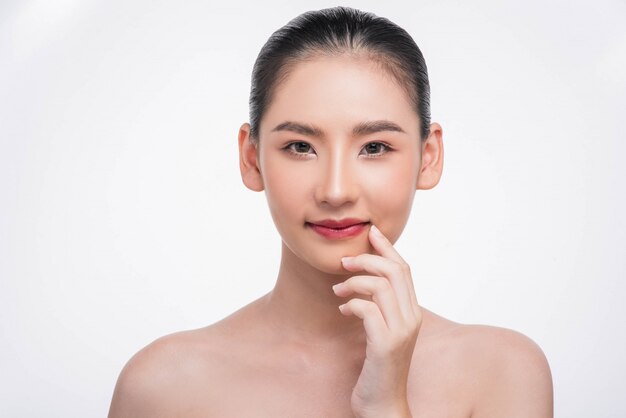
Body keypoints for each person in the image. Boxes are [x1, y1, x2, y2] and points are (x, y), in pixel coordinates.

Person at [108, 6, 553, 417]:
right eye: (300, 147)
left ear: (428, 156)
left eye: (375, 147)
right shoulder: (163, 387)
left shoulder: (501, 373)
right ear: (252, 157)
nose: (336, 190)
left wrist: (386, 405)